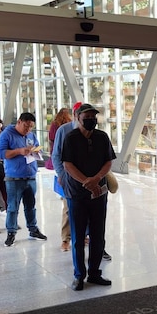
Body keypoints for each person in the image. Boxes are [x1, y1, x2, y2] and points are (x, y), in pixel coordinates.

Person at [60, 104, 116, 290]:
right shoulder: (70, 138)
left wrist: (97, 179)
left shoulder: (102, 137)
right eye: (87, 116)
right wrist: (86, 181)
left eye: (94, 116)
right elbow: (67, 164)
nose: (91, 119)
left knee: (98, 235)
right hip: (77, 194)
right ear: (77, 117)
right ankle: (79, 275)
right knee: (77, 236)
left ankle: (94, 273)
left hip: (99, 193)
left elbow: (108, 161)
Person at [0, 112, 48, 246]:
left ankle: (33, 229)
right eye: (26, 126)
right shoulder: (6, 134)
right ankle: (11, 232)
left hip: (30, 176)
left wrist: (37, 152)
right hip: (14, 178)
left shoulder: (31, 135)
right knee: (13, 207)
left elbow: (38, 148)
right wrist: (19, 151)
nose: (28, 130)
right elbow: (1, 154)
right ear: (19, 122)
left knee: (30, 206)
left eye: (31, 127)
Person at [48, 108, 74, 251]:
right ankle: (66, 239)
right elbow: (56, 153)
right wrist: (62, 175)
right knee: (68, 206)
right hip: (67, 174)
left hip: (79, 176)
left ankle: (80, 236)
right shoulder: (63, 129)